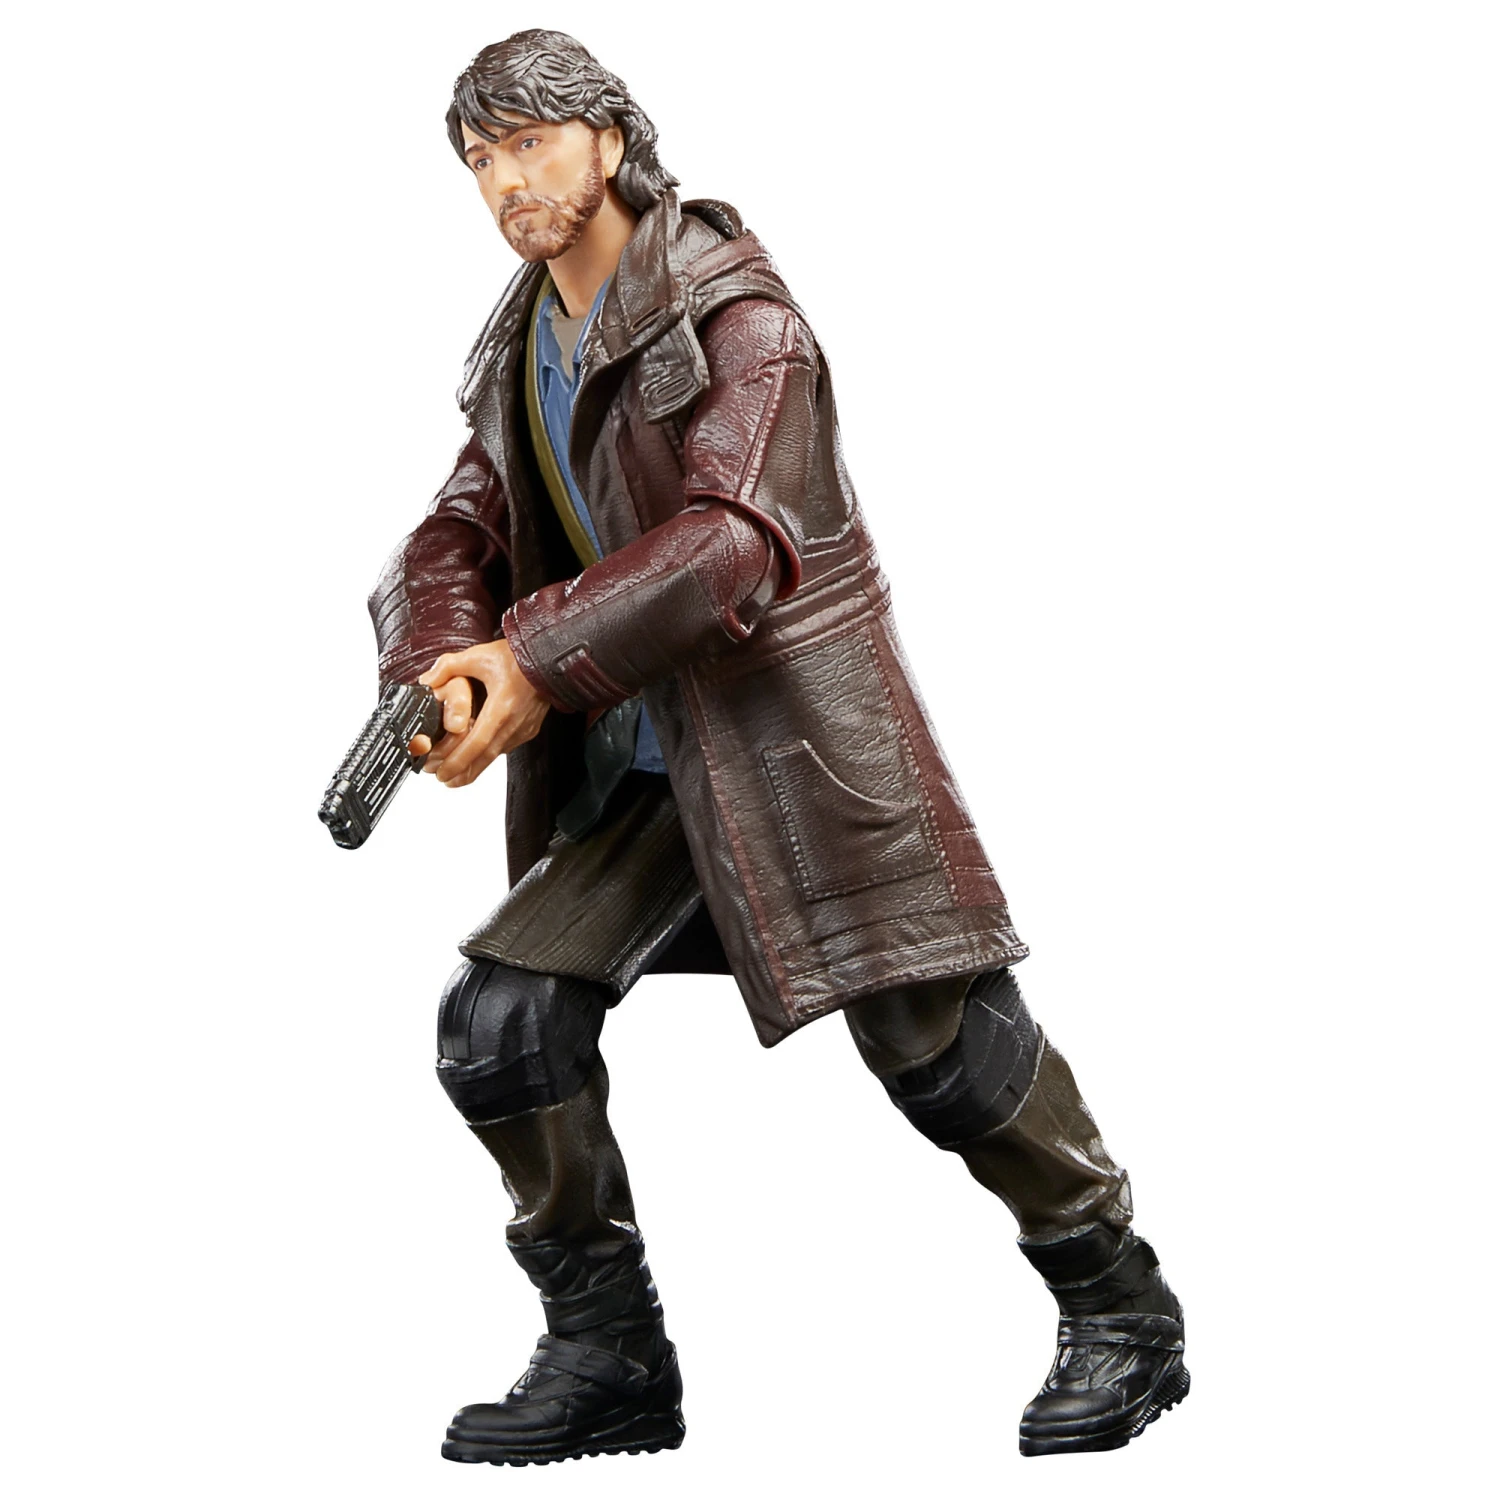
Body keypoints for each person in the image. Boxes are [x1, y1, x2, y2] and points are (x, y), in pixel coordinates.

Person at [365, 28, 1187, 1466]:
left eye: (531, 144)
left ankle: (1124, 1308)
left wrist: (532, 660)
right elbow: (458, 525)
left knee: (938, 1045)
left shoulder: (740, 316)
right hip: (645, 760)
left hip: (797, 747)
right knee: (503, 1025)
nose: (505, 182)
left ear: (610, 141)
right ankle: (610, 1357)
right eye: (481, 158)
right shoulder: (526, 334)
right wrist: (440, 663)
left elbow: (732, 546)